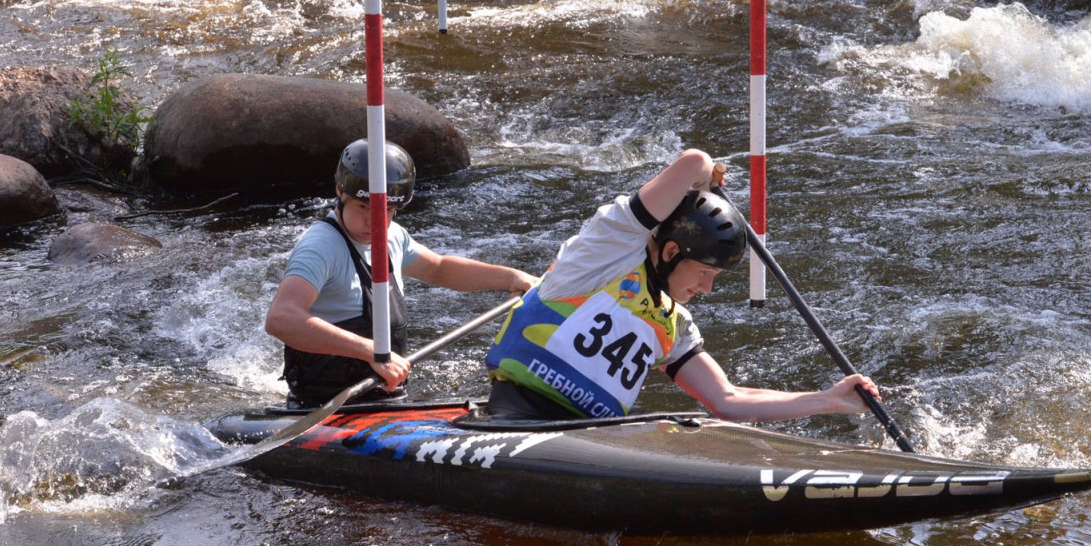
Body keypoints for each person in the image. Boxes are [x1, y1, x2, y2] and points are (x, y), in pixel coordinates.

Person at [483, 147, 880, 422]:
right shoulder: (604, 254)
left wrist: (828, 400)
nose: (707, 289)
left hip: (587, 436)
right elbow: (693, 162)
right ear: (672, 250)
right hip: (516, 416)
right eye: (705, 272)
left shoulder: (674, 323)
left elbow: (728, 400)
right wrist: (705, 179)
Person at [266, 139, 537, 408]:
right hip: (323, 404)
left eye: (386, 210)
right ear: (340, 191)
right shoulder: (320, 247)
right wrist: (371, 351)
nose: (374, 221)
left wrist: (511, 278)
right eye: (364, 207)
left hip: (385, 398)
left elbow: (439, 269)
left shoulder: (394, 236)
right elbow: (281, 318)